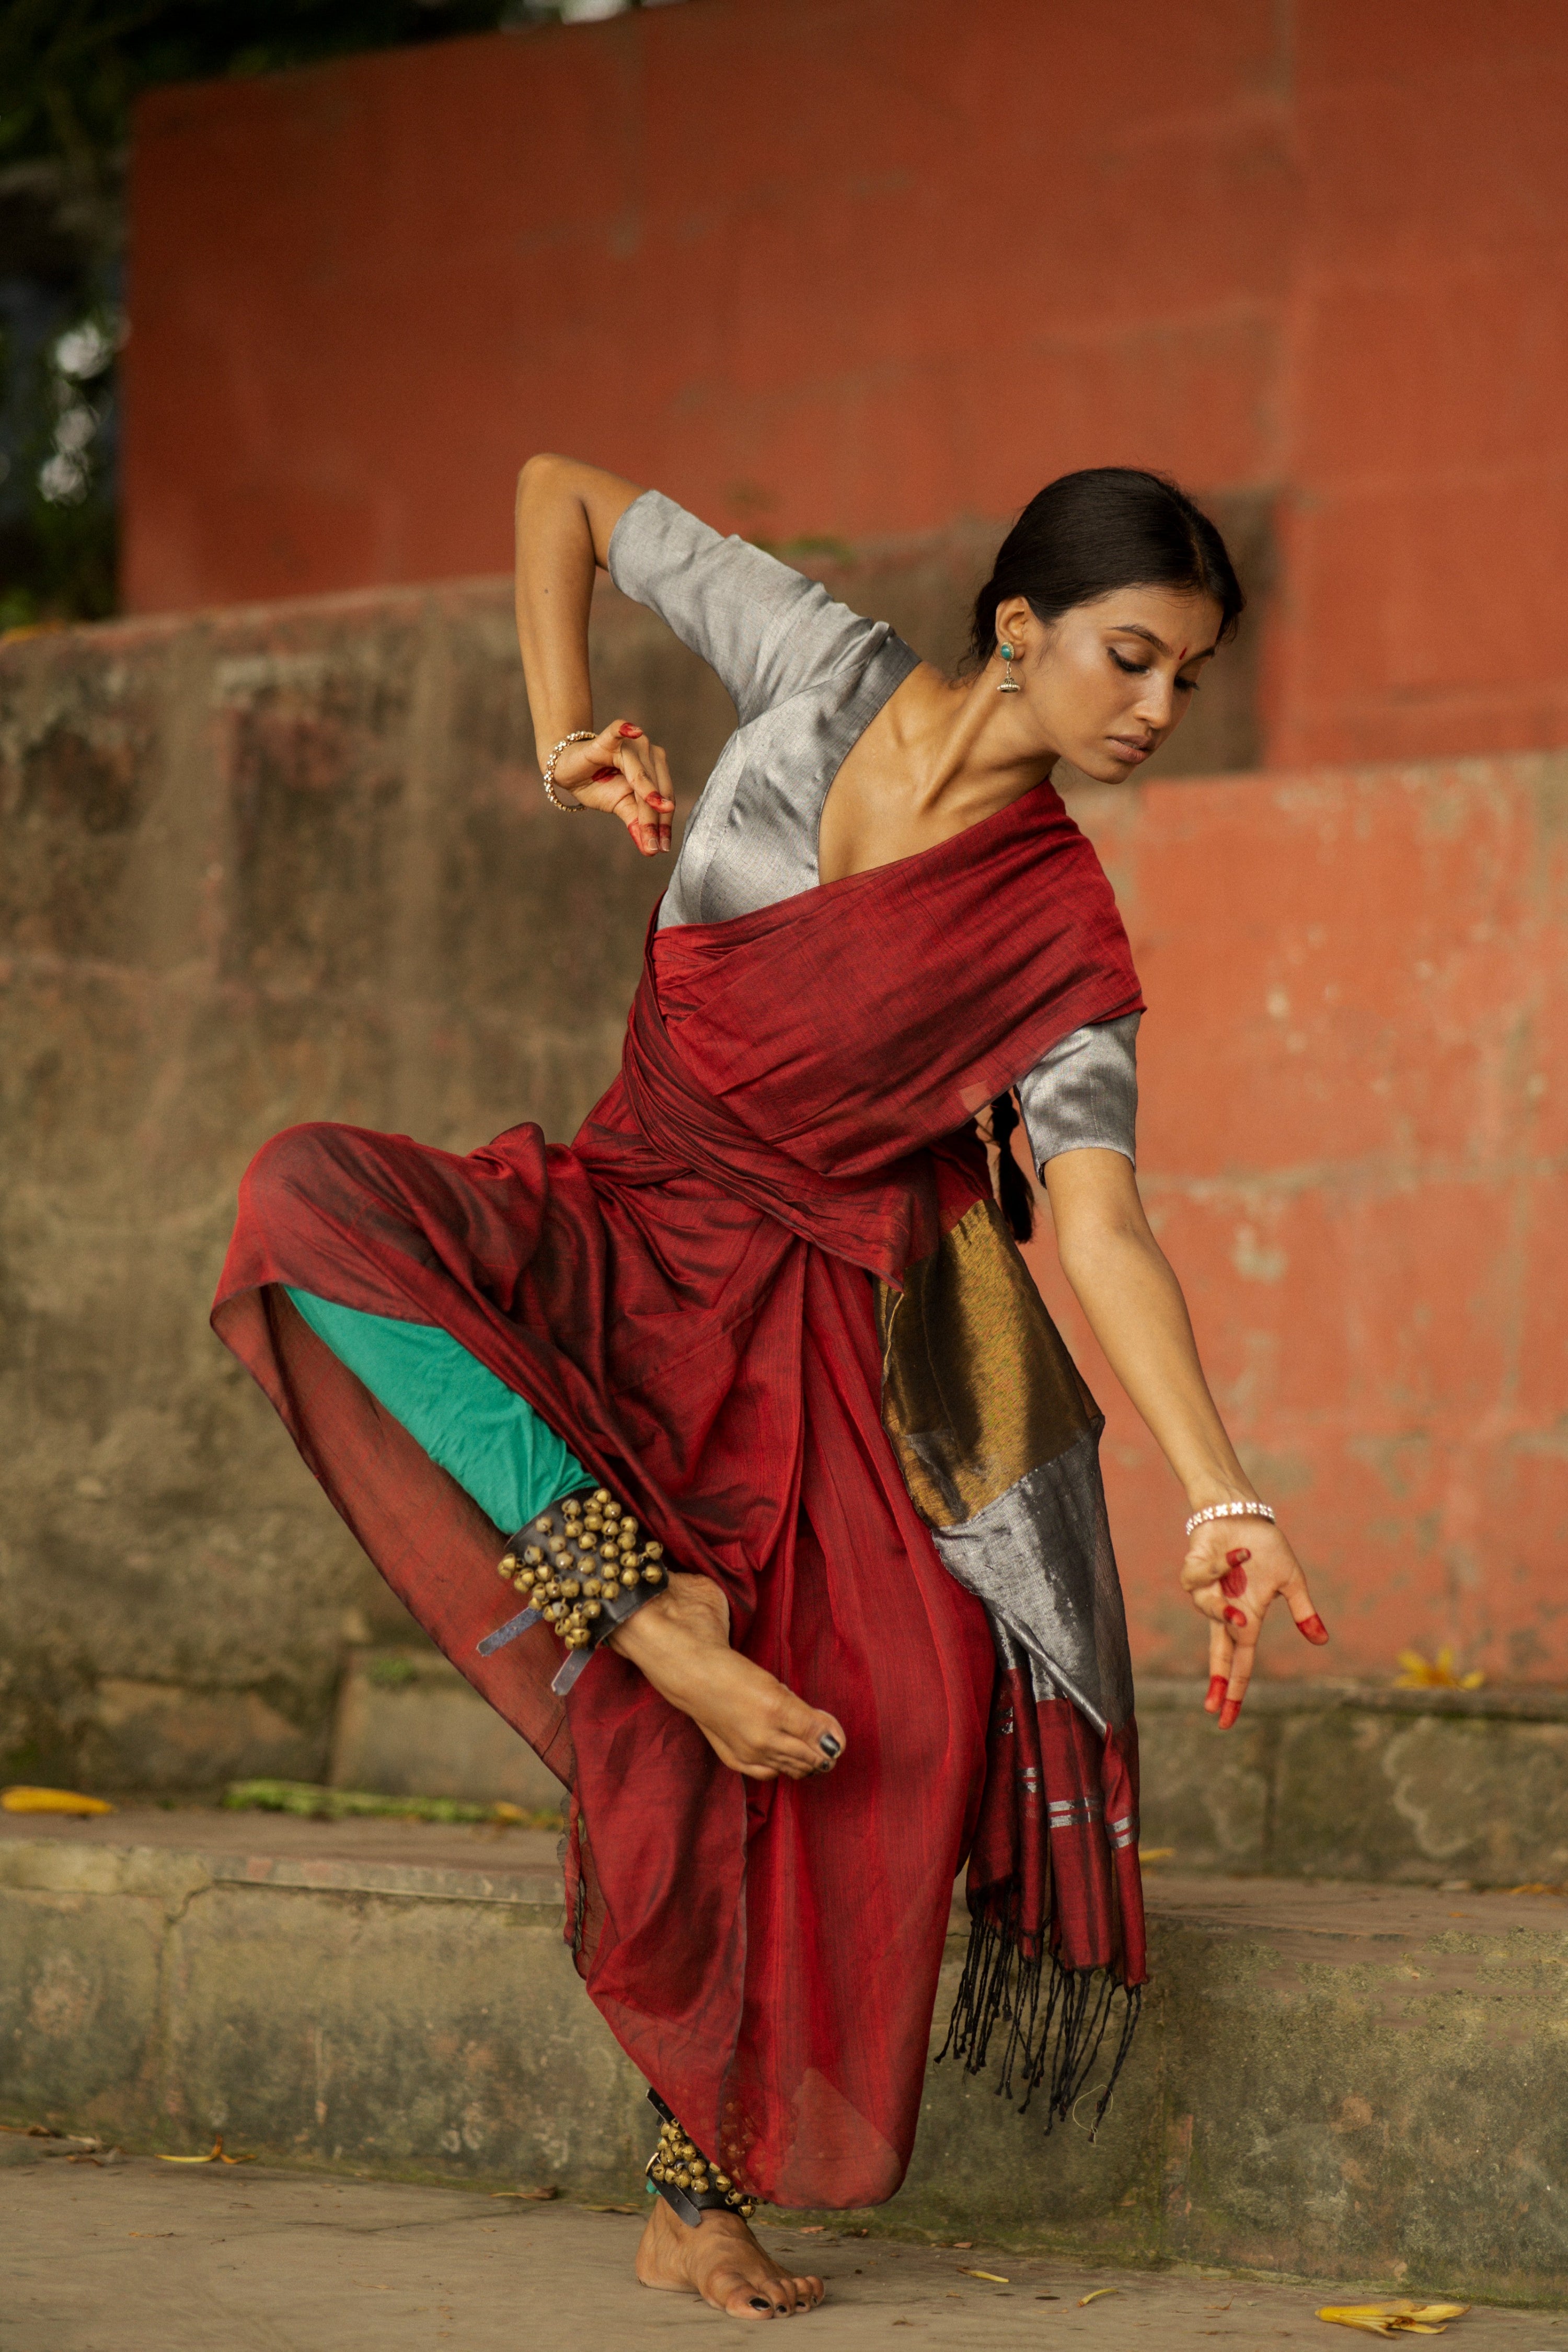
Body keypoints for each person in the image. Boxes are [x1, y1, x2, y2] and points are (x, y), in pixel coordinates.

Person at [213, 456, 1329, 2322]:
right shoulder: (808, 656)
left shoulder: (1062, 939)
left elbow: (1102, 1226)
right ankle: (650, 1616)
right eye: (1131, 658)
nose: (1154, 712)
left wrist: (1225, 1491)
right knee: (301, 1204)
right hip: (625, 1220)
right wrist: (564, 727)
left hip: (839, 1318)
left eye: (1186, 682)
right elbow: (561, 492)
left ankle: (694, 2189)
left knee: (894, 1699)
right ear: (1018, 626)